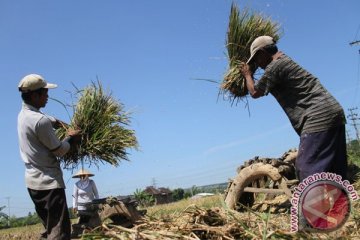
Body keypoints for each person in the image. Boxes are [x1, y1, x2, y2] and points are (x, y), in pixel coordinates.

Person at [240, 36, 347, 182]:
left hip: (318, 116)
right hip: (332, 111)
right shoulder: (283, 61)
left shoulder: (275, 66)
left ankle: (313, 203)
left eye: (257, 59)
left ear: (264, 52)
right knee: (334, 167)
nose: (257, 64)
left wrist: (247, 75)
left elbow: (254, 92)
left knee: (306, 168)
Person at [17, 73, 81, 240]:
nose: (47, 97)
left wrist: (61, 124)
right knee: (59, 233)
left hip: (33, 183)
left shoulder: (23, 115)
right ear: (34, 95)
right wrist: (71, 137)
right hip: (49, 184)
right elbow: (59, 150)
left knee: (50, 227)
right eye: (45, 93)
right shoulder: (39, 121)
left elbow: (47, 120)